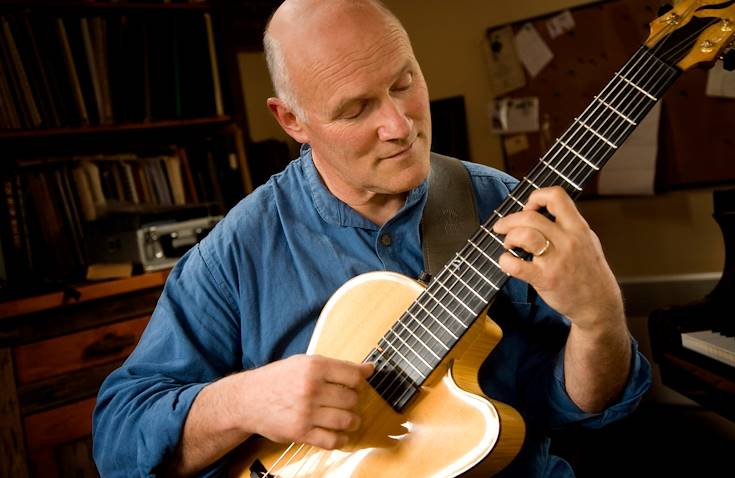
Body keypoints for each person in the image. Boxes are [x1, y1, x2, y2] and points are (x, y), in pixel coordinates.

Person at [92, 0, 651, 476]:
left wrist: (599, 319)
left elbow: (578, 406)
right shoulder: (235, 252)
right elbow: (119, 439)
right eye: (357, 109)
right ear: (292, 121)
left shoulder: (507, 209)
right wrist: (242, 400)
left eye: (403, 83)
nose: (399, 125)